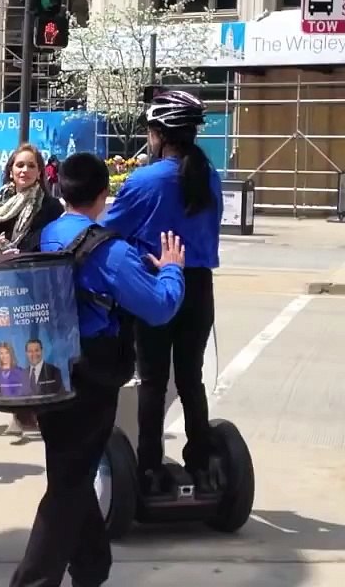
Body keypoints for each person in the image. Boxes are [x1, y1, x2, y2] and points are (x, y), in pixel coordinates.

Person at [11, 152, 185, 587]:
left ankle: (91, 566)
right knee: (69, 484)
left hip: (46, 369)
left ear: (60, 190)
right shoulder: (110, 250)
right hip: (92, 377)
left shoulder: (43, 236)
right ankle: (33, 581)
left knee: (71, 469)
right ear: (104, 195)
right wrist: (172, 272)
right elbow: (159, 308)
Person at [101, 90, 223, 496]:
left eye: (151, 132)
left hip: (156, 283)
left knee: (153, 380)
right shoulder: (210, 176)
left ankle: (150, 469)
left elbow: (109, 229)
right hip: (199, 285)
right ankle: (202, 465)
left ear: (160, 135)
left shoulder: (145, 179)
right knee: (191, 379)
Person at [0, 144, 63, 434]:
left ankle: (38, 410)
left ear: (40, 172)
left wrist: (21, 249)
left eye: (31, 166)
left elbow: (49, 242)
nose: (24, 171)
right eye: (19, 165)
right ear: (10, 170)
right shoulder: (0, 202)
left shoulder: (50, 206)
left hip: (34, 285)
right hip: (4, 284)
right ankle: (18, 412)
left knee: (34, 345)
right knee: (9, 346)